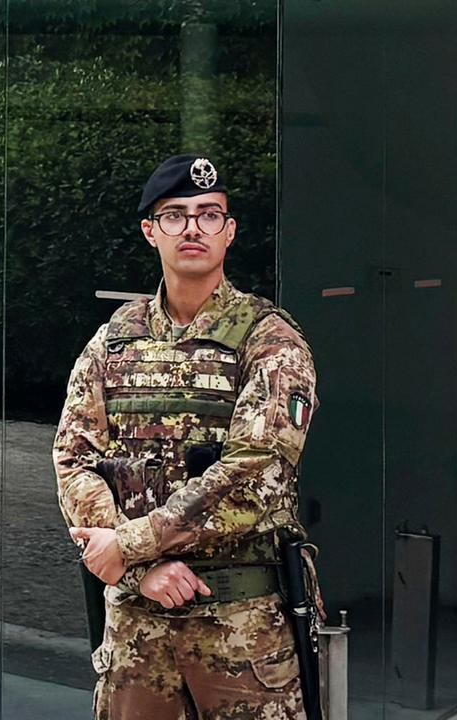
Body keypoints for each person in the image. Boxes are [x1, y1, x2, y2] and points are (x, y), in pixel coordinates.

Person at [55, 154, 319, 719]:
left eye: (208, 214)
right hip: (136, 625)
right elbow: (73, 458)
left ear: (229, 232)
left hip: (241, 629)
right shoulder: (114, 340)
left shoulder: (268, 339)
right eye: (175, 215)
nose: (193, 227)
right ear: (152, 232)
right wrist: (138, 569)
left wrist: (127, 546)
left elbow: (255, 474)